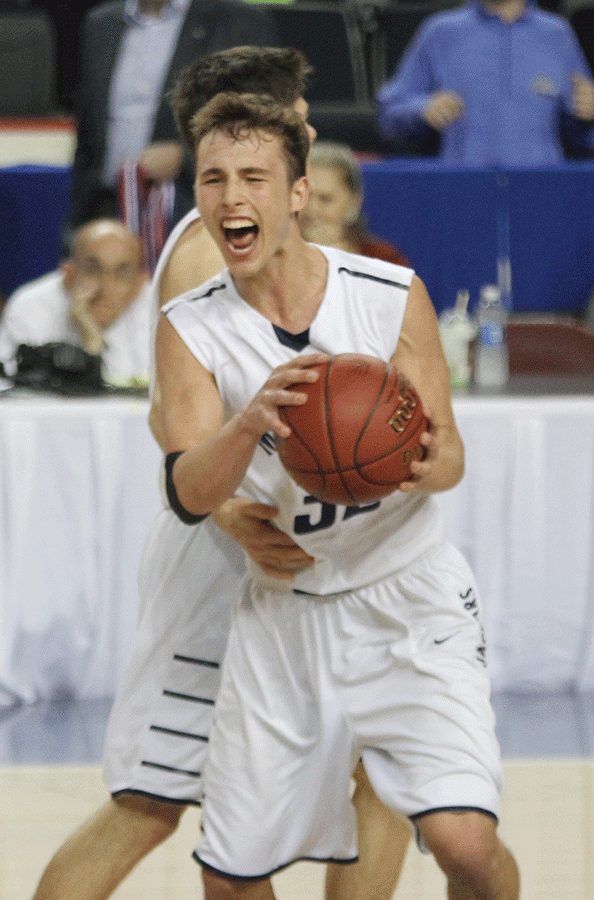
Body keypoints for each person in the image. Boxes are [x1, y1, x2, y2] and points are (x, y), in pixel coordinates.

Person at [31, 49, 411, 900]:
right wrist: (234, 512)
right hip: (220, 564)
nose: (312, 125)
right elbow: (171, 419)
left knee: (368, 775)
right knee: (150, 803)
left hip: (298, 560)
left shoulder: (288, 241)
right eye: (301, 111)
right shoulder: (209, 254)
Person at [157, 91, 520, 900]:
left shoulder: (389, 293)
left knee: (466, 845)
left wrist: (418, 462)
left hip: (405, 594)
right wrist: (249, 425)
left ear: (296, 194)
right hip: (285, 610)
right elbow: (186, 488)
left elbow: (450, 453)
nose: (230, 196)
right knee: (231, 880)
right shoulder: (189, 324)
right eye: (212, 179)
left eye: (253, 175)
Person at [68, 0, 275, 234]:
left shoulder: (240, 23)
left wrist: (185, 157)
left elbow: (256, 127)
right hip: (104, 210)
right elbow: (87, 133)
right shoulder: (100, 23)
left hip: (190, 213)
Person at [376, 0, 594, 166]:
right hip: (464, 194)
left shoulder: (557, 34)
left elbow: (585, 137)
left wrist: (589, 115)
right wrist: (422, 109)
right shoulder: (440, 31)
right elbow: (388, 114)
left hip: (541, 195)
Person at [0, 218, 151, 387]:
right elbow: (10, 393)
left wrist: (93, 345)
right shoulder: (29, 308)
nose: (106, 288)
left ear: (140, 283)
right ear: (69, 274)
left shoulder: (157, 308)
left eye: (122, 273)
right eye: (93, 269)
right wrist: (89, 342)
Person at [299, 140, 411, 266]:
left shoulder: (384, 259)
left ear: (354, 201)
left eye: (326, 199)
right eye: (303, 197)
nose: (311, 210)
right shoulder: (274, 257)